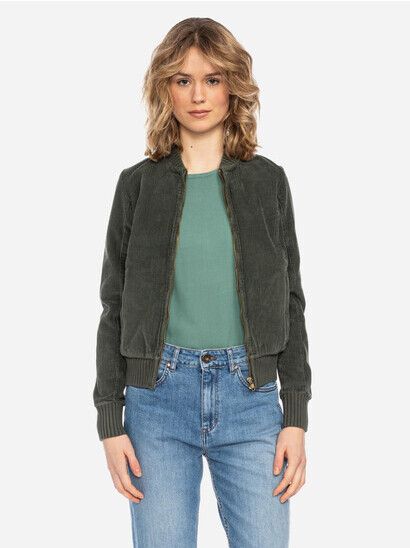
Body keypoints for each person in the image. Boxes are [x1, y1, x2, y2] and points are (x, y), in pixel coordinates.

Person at [93, 17, 312, 548]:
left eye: (212, 79)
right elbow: (114, 304)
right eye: (183, 80)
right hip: (157, 400)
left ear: (232, 87)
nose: (198, 95)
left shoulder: (267, 181)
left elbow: (291, 299)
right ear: (164, 88)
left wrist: (296, 414)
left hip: (251, 398)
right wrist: (110, 419)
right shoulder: (137, 185)